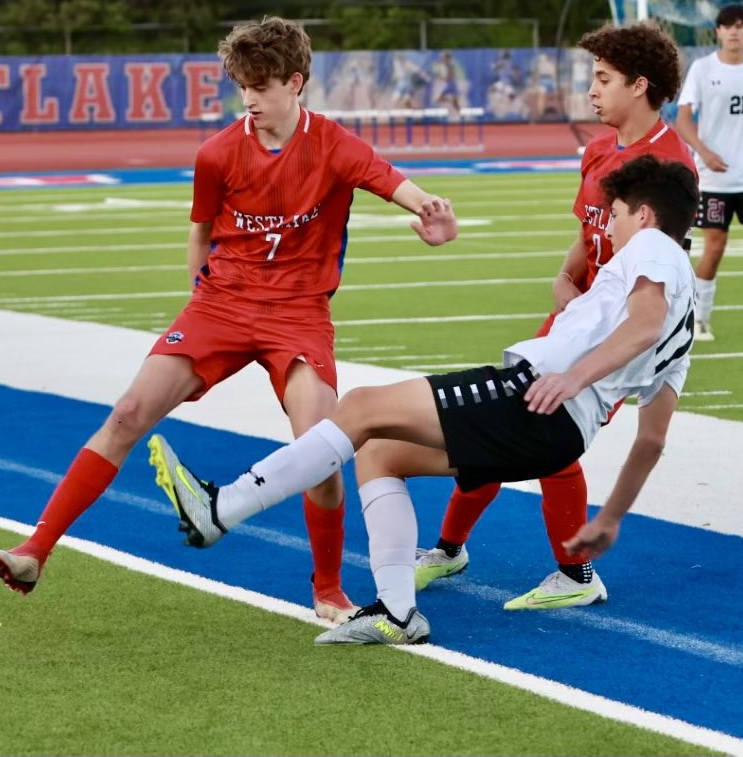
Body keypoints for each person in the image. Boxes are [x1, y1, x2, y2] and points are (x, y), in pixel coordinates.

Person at [0, 16, 459, 624]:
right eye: (242, 87)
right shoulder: (217, 153)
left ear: (295, 83)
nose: (249, 100)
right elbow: (200, 233)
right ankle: (34, 551)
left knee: (320, 451)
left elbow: (398, 185)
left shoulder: (335, 145)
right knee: (127, 413)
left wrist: (434, 216)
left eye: (261, 86)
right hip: (221, 305)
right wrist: (199, 310)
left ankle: (329, 589)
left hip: (298, 314)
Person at [149, 155, 699, 645]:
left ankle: (222, 509)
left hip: (533, 399)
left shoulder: (653, 247)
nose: (610, 227)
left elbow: (644, 323)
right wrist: (611, 518)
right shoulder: (687, 317)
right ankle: (397, 613)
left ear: (645, 215)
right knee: (379, 452)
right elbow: (651, 440)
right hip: (556, 433)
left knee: (361, 407)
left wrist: (574, 377)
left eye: (616, 214)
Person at [415, 21, 697, 609]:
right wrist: (565, 276)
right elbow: (588, 232)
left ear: (640, 84)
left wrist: (604, 329)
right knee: (500, 420)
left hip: (610, 338)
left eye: (604, 78)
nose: (591, 89)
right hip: (573, 321)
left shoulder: (672, 164)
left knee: (539, 434)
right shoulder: (598, 149)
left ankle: (572, 573)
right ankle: (452, 550)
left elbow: (662, 273)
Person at [675, 3, 743, 341]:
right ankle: (700, 318)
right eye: (727, 25)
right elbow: (683, 120)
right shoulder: (703, 69)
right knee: (715, 247)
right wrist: (704, 152)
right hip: (714, 179)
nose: (734, 31)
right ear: (718, 31)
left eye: (740, 25)